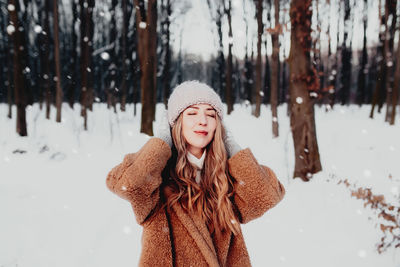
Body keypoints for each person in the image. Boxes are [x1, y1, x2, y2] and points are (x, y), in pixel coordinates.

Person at [106, 80, 286, 267]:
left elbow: (266, 195)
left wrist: (232, 147)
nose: (203, 121)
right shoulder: (157, 177)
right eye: (192, 113)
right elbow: (128, 185)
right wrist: (161, 141)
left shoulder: (226, 176)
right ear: (175, 123)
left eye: (211, 114)